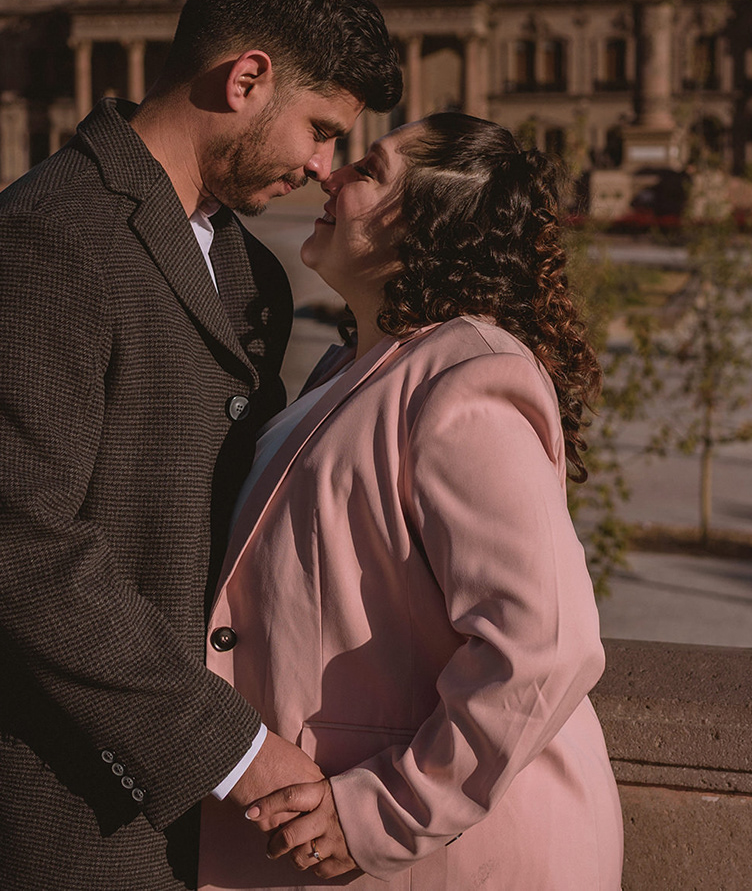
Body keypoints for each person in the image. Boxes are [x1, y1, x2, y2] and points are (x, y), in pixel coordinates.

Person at [0, 0, 404, 889]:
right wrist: (232, 750)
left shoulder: (250, 270)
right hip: (70, 821)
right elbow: (29, 556)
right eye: (319, 128)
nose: (324, 166)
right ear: (247, 79)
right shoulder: (42, 239)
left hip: (209, 828)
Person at [200, 113, 623, 889]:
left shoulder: (467, 379)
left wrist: (385, 813)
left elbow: (547, 642)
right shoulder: (355, 367)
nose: (330, 173)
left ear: (429, 222)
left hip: (462, 858)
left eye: (369, 169)